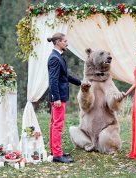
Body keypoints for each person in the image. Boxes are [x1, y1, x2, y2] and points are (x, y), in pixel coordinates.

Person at [47, 33, 81, 163]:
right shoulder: (54, 58)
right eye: (65, 41)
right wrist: (56, 97)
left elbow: (65, 76)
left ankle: (55, 150)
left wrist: (80, 83)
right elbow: (53, 79)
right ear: (57, 42)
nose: (67, 44)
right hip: (58, 97)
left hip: (59, 95)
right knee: (57, 125)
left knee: (54, 123)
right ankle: (57, 154)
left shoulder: (58, 56)